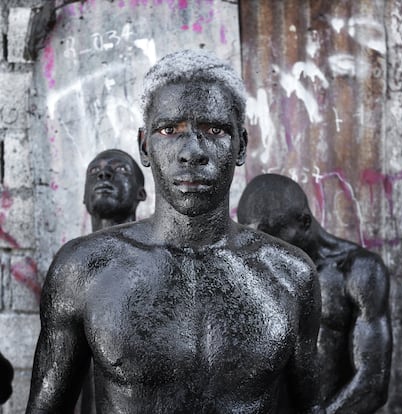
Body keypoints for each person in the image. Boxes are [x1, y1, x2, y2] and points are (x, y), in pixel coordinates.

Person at [26, 50, 324, 414]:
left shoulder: (290, 274)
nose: (192, 151)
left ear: (241, 145)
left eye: (214, 130)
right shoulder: (85, 268)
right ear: (144, 146)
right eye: (170, 130)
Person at [238, 173, 392, 414]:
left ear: (304, 222)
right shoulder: (254, 271)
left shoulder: (357, 270)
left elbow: (372, 383)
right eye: (258, 241)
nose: (267, 252)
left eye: (275, 240)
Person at [80, 149, 147, 414]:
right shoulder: (68, 271)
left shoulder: (156, 267)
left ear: (141, 193)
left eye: (120, 170)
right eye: (94, 173)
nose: (105, 174)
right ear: (84, 197)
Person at [83, 149, 147, 232]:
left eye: (120, 168)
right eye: (94, 170)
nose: (103, 173)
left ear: (141, 194)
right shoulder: (73, 245)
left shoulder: (161, 244)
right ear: (84, 196)